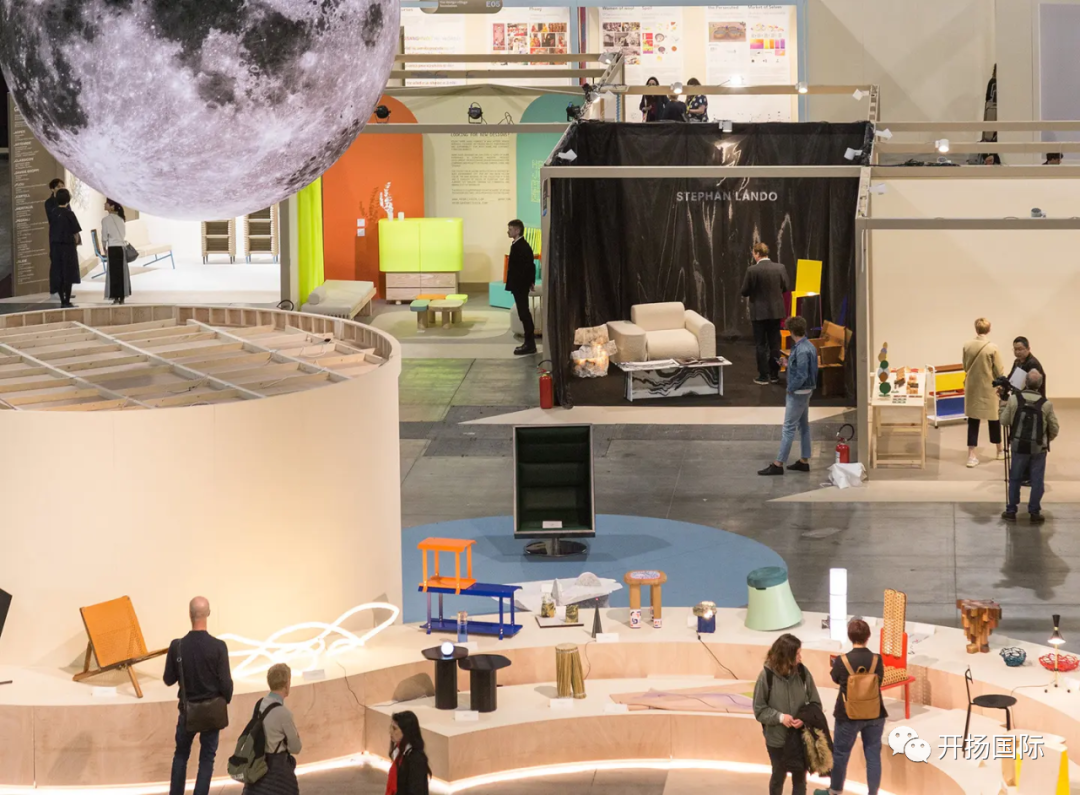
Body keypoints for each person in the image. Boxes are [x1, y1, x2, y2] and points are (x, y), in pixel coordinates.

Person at [164, 597, 234, 795]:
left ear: (189, 614)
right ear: (208, 614)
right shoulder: (219, 646)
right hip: (212, 712)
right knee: (207, 759)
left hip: (187, 711)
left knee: (181, 756)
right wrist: (225, 700)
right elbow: (226, 684)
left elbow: (168, 679)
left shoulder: (177, 646)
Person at [813, 619, 886, 795]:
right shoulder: (877, 659)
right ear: (868, 636)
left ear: (849, 636)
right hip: (875, 713)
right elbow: (879, 681)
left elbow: (835, 678)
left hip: (847, 715)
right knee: (873, 755)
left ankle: (835, 791)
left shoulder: (842, 660)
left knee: (841, 754)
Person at [753, 634, 821, 795]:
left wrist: (803, 719)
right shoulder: (766, 676)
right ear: (786, 655)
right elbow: (759, 710)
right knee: (778, 777)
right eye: (797, 654)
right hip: (777, 740)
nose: (800, 657)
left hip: (800, 738)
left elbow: (816, 704)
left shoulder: (803, 672)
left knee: (800, 780)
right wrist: (780, 718)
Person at [759, 316, 818, 476]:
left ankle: (778, 464)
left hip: (798, 392)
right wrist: (787, 364)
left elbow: (802, 374)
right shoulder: (809, 346)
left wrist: (790, 388)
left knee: (788, 428)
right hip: (806, 391)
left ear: (791, 331)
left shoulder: (801, 350)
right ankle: (804, 460)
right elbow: (804, 369)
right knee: (803, 426)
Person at [1000, 369, 1058, 524]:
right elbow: (1054, 428)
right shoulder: (1046, 404)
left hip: (1018, 446)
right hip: (1038, 448)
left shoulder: (1014, 400)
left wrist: (1002, 405)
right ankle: (1034, 511)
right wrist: (1045, 440)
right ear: (1040, 385)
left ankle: (1011, 510)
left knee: (1015, 478)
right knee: (1037, 480)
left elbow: (1004, 421)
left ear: (1025, 382)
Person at [243, 663, 302, 794]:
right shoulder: (284, 713)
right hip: (277, 774)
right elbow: (296, 747)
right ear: (286, 684)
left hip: (257, 771)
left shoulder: (259, 704)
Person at [741, 242, 789, 386]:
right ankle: (774, 375)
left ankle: (763, 376)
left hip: (759, 313)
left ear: (757, 254)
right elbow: (786, 287)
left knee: (760, 344)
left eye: (753, 254)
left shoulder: (752, 270)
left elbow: (744, 291)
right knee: (775, 344)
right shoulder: (780, 268)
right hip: (776, 312)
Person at [962, 317, 1005, 468]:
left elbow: (965, 366)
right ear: (989, 329)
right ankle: (999, 450)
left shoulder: (967, 345)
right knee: (994, 418)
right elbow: (999, 370)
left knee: (973, 420)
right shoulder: (992, 347)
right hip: (989, 387)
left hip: (973, 387)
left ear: (976, 329)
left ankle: (971, 455)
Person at [505, 219, 536, 355]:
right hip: (519, 285)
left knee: (524, 314)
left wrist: (529, 282)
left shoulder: (522, 246)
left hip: (520, 286)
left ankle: (530, 343)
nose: (508, 232)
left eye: (510, 229)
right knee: (523, 313)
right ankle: (529, 343)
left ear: (517, 230)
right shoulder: (517, 245)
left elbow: (529, 266)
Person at [48, 188, 82, 308]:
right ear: (68, 200)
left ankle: (62, 300)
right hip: (68, 247)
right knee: (69, 273)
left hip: (56, 247)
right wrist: (76, 243)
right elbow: (76, 233)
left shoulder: (53, 213)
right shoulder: (69, 214)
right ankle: (67, 300)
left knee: (59, 272)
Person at [387, 710, 431, 795]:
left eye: (395, 729)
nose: (390, 731)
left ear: (406, 732)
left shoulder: (416, 759)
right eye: (391, 727)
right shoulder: (399, 751)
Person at [101, 198, 131, 305]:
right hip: (121, 248)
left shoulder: (105, 220)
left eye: (107, 203)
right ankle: (122, 297)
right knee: (121, 273)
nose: (104, 204)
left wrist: (104, 247)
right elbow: (123, 234)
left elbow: (104, 236)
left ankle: (115, 297)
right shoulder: (121, 219)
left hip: (112, 248)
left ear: (112, 206)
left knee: (113, 274)